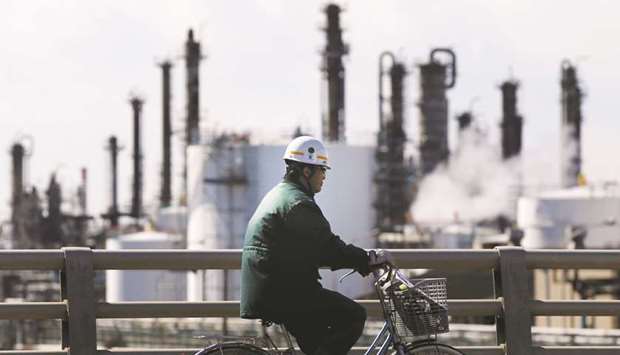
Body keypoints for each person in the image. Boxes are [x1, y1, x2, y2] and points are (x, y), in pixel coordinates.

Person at [240, 136, 392, 355]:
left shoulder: (283, 195)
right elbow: (328, 248)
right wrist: (367, 259)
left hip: (273, 288)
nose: (324, 176)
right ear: (306, 171)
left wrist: (359, 259)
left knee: (318, 344)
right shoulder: (298, 204)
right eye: (322, 170)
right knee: (354, 315)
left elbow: (313, 250)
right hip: (285, 291)